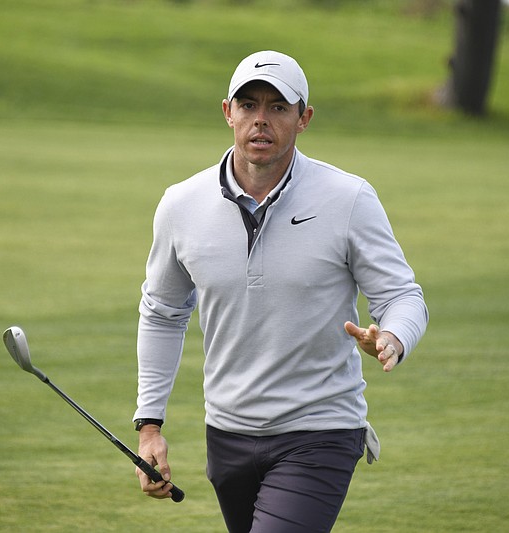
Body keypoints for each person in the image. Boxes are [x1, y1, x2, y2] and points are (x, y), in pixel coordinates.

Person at [132, 50, 428, 532]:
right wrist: (149, 427)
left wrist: (393, 336)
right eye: (248, 106)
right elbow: (163, 312)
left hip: (321, 429)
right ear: (227, 111)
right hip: (227, 433)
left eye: (278, 107)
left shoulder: (348, 198)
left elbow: (402, 295)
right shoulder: (180, 205)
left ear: (304, 118)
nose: (261, 120)